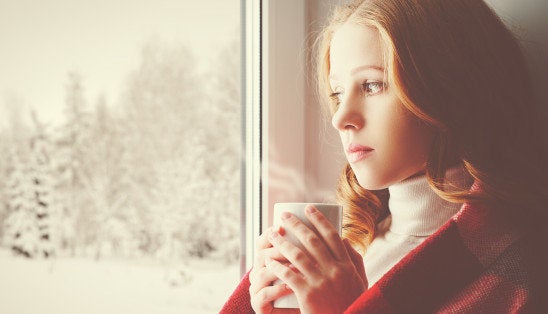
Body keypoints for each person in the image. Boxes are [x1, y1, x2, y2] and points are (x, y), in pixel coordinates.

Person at [221, 0, 548, 313]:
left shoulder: (519, 274)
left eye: (372, 86)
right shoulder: (354, 247)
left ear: (451, 87)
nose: (340, 118)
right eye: (337, 93)